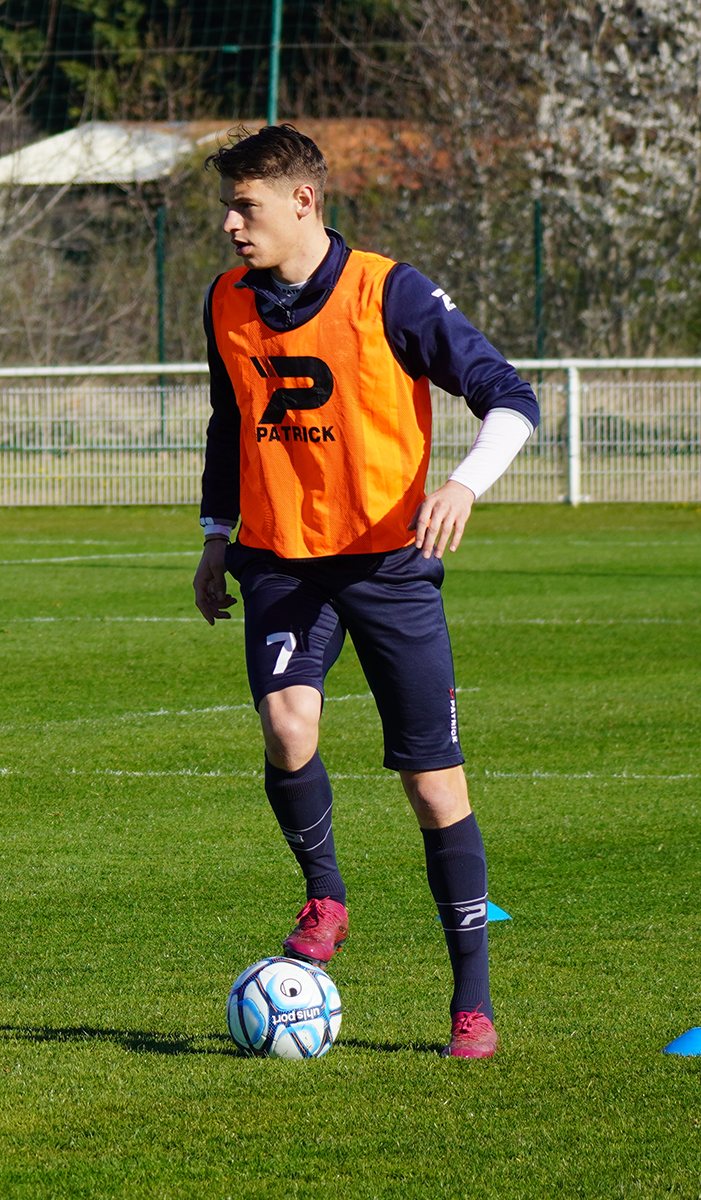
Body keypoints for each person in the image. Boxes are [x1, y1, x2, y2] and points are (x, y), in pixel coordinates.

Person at [192, 125, 539, 1059]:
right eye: (228, 207)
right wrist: (215, 538)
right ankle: (326, 895)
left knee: (433, 786)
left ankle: (472, 1002)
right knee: (287, 724)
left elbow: (511, 395)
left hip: (387, 568)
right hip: (280, 559)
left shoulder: (391, 291)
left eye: (246, 206)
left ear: (303, 202)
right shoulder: (227, 300)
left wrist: (464, 483)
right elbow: (231, 422)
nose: (230, 225)